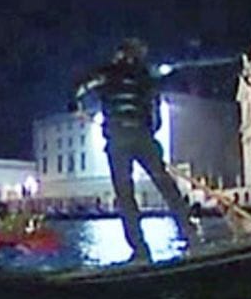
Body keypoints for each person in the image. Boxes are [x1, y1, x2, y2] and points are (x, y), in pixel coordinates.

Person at [74, 38, 200, 262]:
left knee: (126, 195)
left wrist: (74, 105)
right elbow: (155, 110)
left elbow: (80, 87)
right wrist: (150, 132)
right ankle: (191, 236)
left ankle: (140, 251)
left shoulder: (107, 73)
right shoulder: (144, 76)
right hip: (142, 136)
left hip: (118, 139)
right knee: (166, 185)